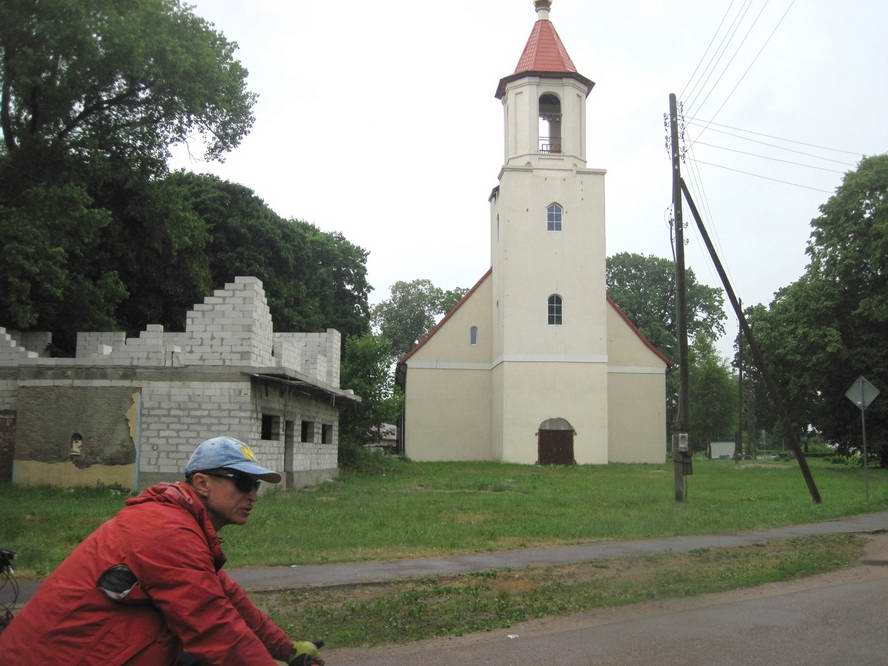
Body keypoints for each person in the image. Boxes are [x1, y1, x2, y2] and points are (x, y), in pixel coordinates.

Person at [0, 436, 324, 665]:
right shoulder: (167, 531)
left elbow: (228, 599)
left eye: (256, 485)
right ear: (201, 483)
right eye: (242, 482)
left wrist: (286, 648)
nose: (252, 495)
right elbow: (214, 628)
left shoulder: (183, 527)